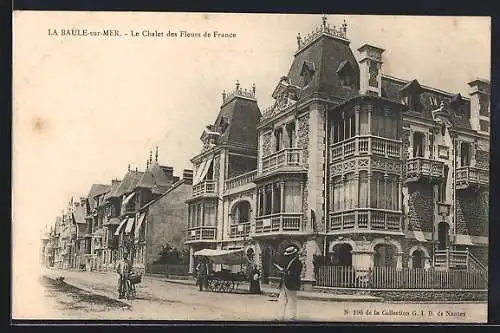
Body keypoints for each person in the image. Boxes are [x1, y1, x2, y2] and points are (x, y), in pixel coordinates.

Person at [275, 246, 303, 321]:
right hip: (284, 283)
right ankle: (279, 317)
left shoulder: (298, 262)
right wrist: (283, 271)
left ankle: (292, 317)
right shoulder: (289, 262)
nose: (288, 256)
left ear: (293, 254)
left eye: (289, 255)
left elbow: (297, 273)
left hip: (292, 283)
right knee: (281, 300)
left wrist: (286, 271)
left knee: (292, 300)